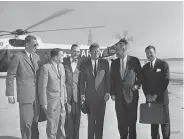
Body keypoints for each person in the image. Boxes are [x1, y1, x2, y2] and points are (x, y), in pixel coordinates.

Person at [6, 35, 40, 139]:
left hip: (36, 95)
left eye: (37, 45)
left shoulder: (37, 57)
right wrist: (10, 94)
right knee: (26, 123)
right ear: (27, 44)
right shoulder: (18, 57)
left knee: (35, 122)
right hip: (25, 95)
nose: (36, 47)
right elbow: (10, 75)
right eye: (34, 45)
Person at [110, 38, 144, 139]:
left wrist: (137, 85)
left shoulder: (134, 60)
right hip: (119, 98)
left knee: (132, 123)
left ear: (123, 50)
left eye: (117, 50)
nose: (115, 53)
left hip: (132, 97)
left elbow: (141, 76)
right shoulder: (114, 63)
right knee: (121, 122)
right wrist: (112, 93)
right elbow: (112, 79)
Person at [80, 43, 110, 139]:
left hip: (102, 97)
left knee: (100, 122)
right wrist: (82, 94)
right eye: (94, 51)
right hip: (90, 98)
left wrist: (107, 92)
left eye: (98, 51)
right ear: (90, 52)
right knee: (91, 122)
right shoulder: (85, 65)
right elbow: (81, 81)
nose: (96, 53)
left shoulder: (105, 63)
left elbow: (108, 79)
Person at [142, 45, 170, 139]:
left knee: (165, 127)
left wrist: (156, 94)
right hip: (151, 101)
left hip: (162, 100)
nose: (149, 55)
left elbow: (165, 81)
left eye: (151, 52)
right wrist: (147, 95)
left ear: (155, 52)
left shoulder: (163, 64)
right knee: (154, 129)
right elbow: (144, 83)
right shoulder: (145, 68)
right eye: (147, 53)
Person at [38, 48, 67, 139]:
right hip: (51, 103)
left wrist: (65, 96)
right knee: (52, 128)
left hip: (62, 102)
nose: (63, 56)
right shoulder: (46, 68)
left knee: (61, 127)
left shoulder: (61, 66)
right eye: (61, 55)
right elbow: (42, 87)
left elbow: (63, 83)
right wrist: (44, 103)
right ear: (55, 57)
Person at [63, 44, 84, 139]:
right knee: (68, 121)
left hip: (77, 98)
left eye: (78, 52)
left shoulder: (82, 64)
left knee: (76, 121)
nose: (76, 53)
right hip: (67, 97)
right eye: (74, 51)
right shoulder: (64, 63)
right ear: (70, 51)